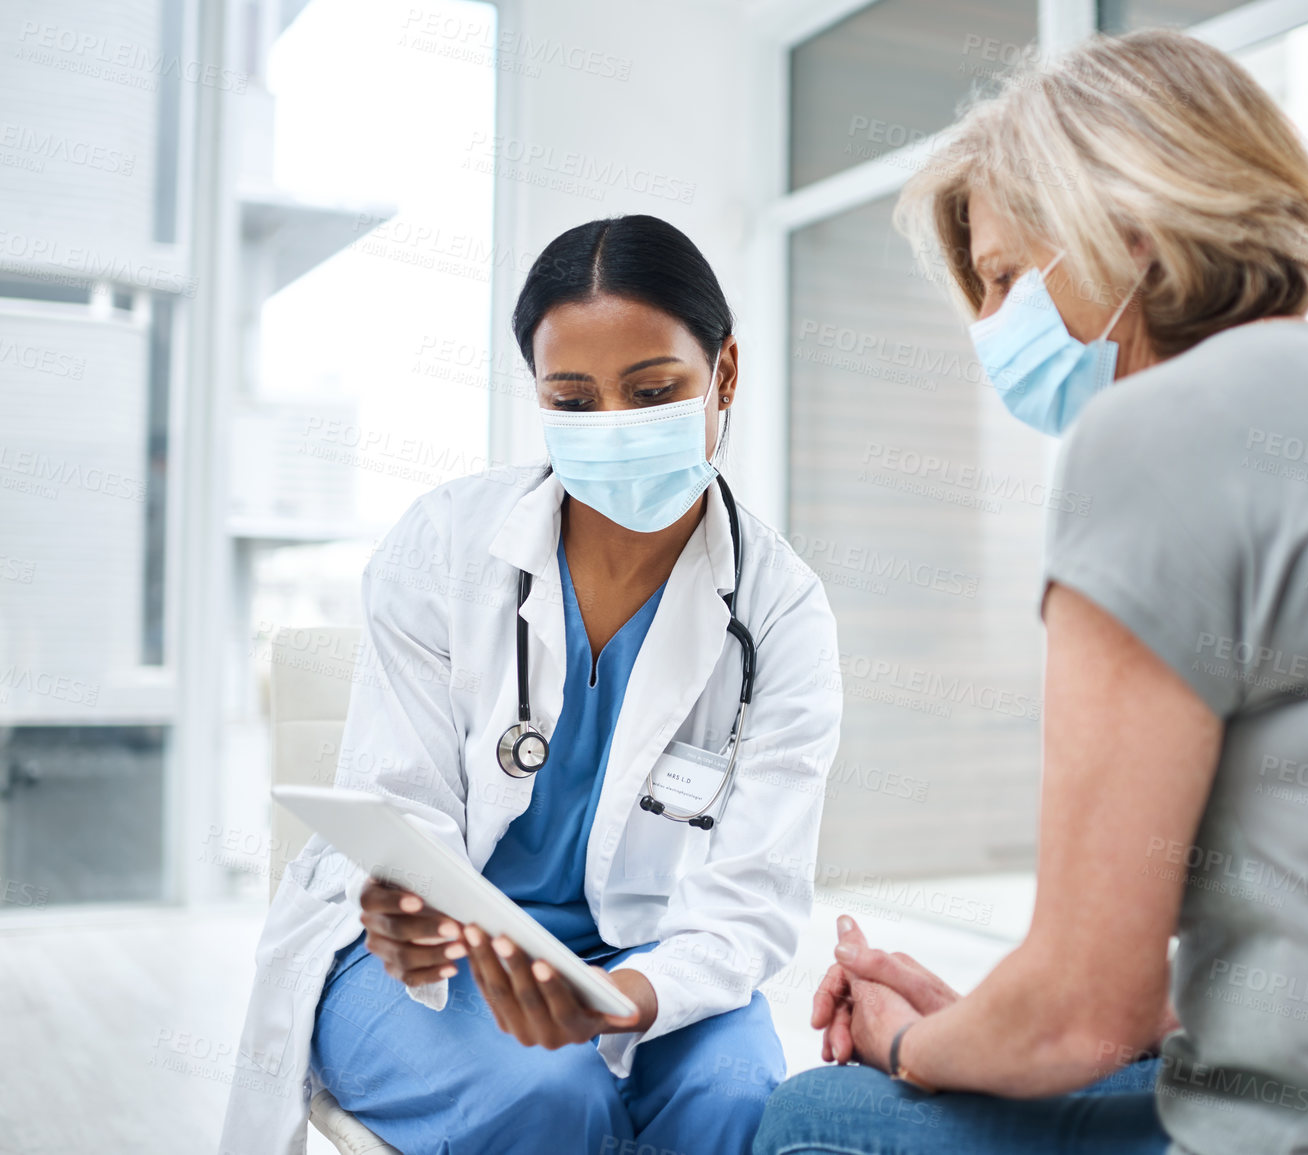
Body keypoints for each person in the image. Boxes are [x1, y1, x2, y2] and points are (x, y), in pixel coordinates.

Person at [753, 28, 1308, 1155]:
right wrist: (989, 1019)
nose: (990, 326)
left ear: (1135, 233)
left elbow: (1077, 1014)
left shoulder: (1157, 431)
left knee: (822, 1120)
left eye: (1009, 275)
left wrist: (913, 1047)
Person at [221, 215, 843, 1155]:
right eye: (574, 399)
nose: (615, 427)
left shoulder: (781, 611)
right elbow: (402, 808)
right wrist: (410, 913)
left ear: (724, 375)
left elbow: (753, 894)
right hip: (440, 965)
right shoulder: (444, 546)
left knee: (736, 1100)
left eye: (652, 390)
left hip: (655, 953)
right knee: (551, 1098)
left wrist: (630, 997)